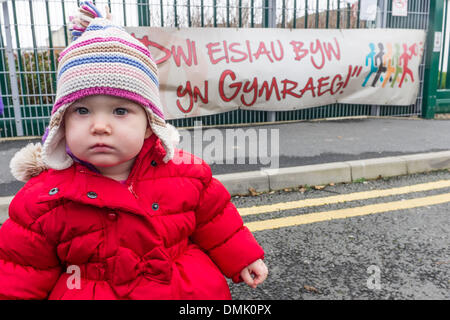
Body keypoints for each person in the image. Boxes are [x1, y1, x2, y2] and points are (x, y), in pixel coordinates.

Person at [0, 1, 267, 300]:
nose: (100, 126)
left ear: (150, 123)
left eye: (120, 111)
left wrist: (242, 257)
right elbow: (20, 271)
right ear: (61, 122)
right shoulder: (41, 200)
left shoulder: (186, 173)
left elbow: (215, 220)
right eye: (83, 110)